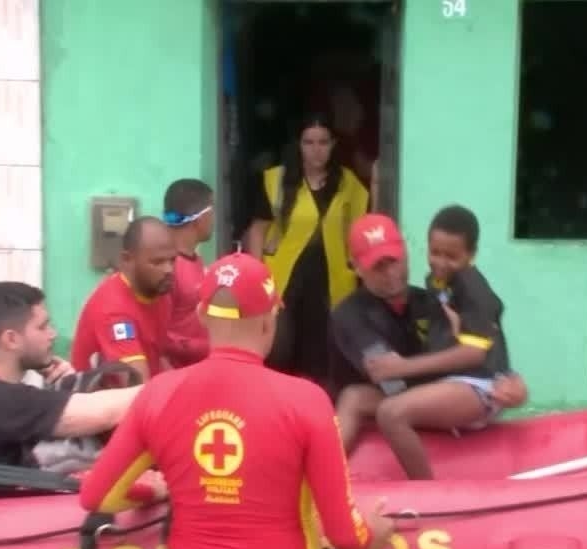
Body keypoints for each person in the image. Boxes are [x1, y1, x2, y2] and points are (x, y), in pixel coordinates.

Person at [79, 252, 395, 549]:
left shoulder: (157, 396)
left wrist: (156, 488)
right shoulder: (306, 401)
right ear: (270, 322)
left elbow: (96, 495)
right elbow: (346, 535)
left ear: (204, 317)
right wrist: (376, 533)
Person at [329, 214, 529, 478]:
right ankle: (321, 475)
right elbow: (390, 380)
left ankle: (428, 494)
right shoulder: (349, 315)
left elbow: (485, 335)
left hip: (444, 395)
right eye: (379, 267)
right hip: (406, 398)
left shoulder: (433, 297)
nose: (392, 274)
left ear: (406, 253)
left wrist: (511, 381)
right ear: (356, 267)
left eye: (395, 261)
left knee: (389, 408)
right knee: (356, 397)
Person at [0, 281, 142, 468]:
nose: (52, 334)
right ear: (11, 339)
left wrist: (68, 385)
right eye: (42, 327)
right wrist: (164, 387)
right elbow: (102, 414)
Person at [244, 112, 369, 390]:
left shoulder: (348, 183)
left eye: (323, 142)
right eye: (309, 142)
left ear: (334, 144)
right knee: (280, 346)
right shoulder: (276, 180)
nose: (316, 150)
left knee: (323, 349)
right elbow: (258, 229)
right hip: (285, 274)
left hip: (332, 275)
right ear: (298, 145)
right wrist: (254, 275)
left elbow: (362, 229)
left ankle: (317, 405)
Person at [70, 215, 178, 379]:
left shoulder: (159, 292)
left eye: (172, 260)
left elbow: (159, 358)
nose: (169, 269)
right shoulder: (114, 310)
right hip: (101, 400)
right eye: (158, 262)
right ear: (127, 260)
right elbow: (136, 384)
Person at [161, 178, 216, 368]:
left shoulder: (196, 261)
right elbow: (157, 336)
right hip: (176, 377)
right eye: (213, 210)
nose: (215, 218)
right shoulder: (166, 268)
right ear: (200, 218)